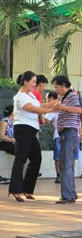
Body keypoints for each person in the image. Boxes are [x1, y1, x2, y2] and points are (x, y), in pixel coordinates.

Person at [8, 71, 55, 202]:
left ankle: (26, 189)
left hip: (31, 130)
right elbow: (32, 109)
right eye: (33, 82)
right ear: (25, 82)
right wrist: (51, 110)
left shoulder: (31, 96)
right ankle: (15, 190)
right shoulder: (20, 96)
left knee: (36, 158)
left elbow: (40, 105)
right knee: (20, 158)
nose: (35, 84)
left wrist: (54, 104)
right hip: (23, 129)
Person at [51, 75, 82, 204]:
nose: (56, 89)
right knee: (68, 165)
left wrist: (62, 107)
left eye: (57, 87)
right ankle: (71, 193)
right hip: (67, 134)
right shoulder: (65, 97)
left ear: (63, 86)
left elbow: (79, 110)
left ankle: (67, 196)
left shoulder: (72, 96)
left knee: (65, 165)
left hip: (69, 134)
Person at [43, 92, 61, 183]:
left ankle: (59, 176)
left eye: (47, 99)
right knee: (68, 157)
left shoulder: (53, 108)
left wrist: (39, 113)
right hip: (72, 134)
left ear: (51, 99)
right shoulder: (64, 104)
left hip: (58, 135)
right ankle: (67, 175)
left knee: (57, 157)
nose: (46, 101)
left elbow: (45, 121)